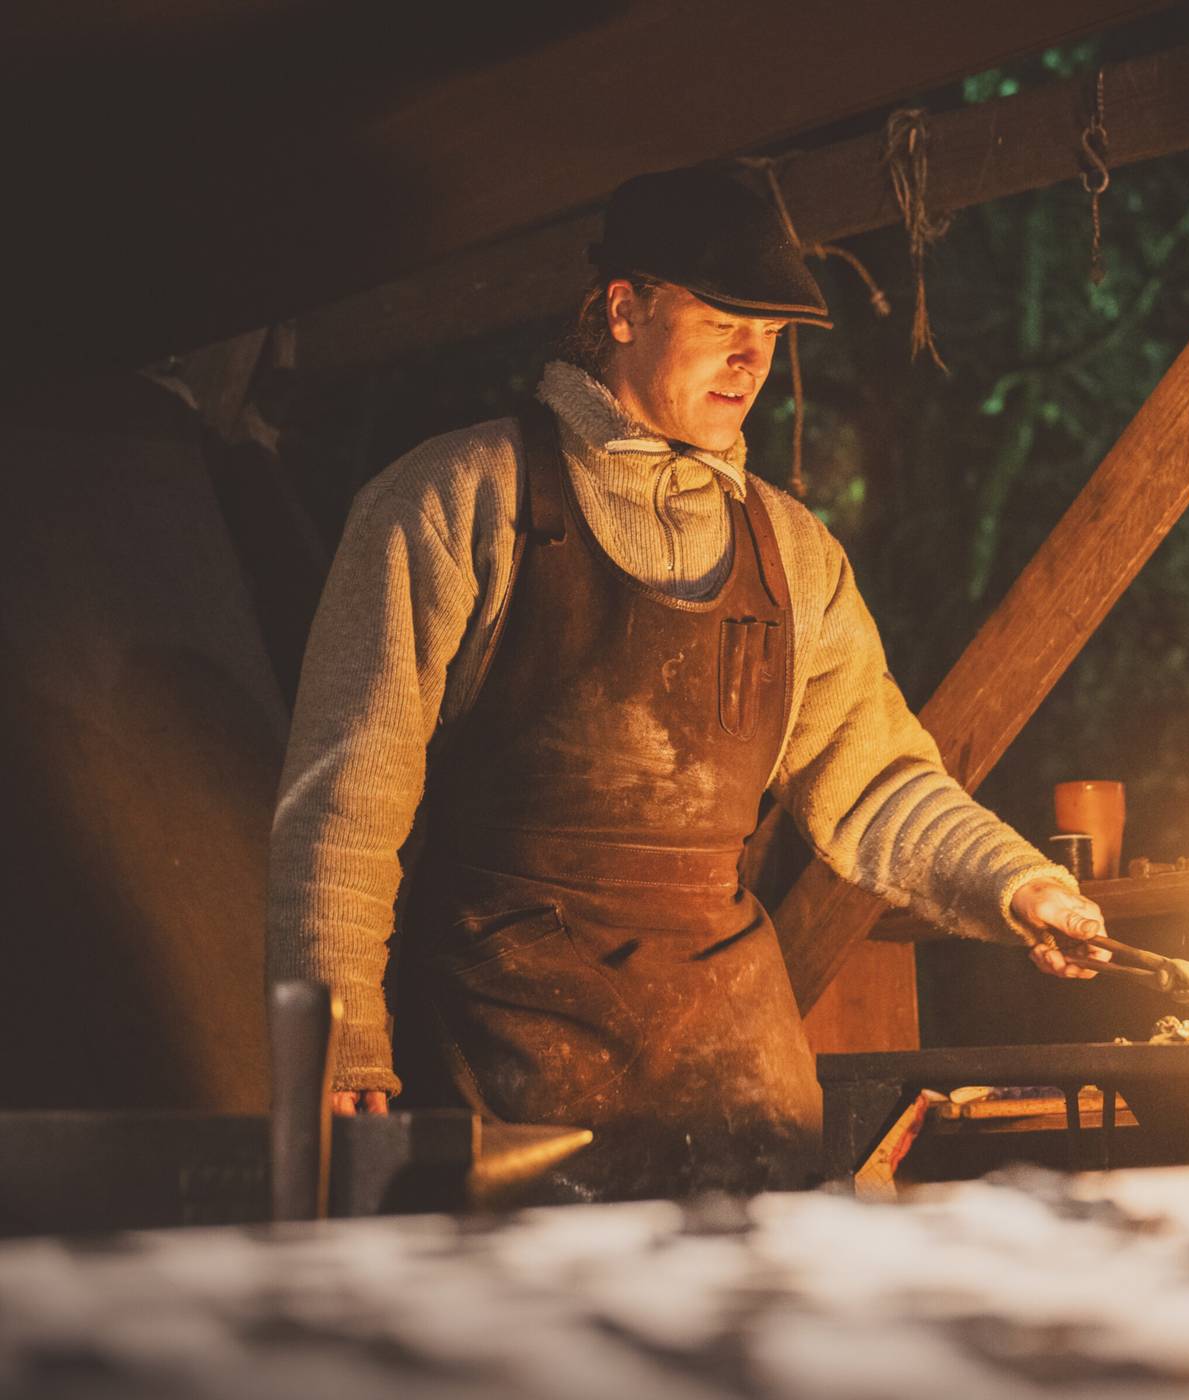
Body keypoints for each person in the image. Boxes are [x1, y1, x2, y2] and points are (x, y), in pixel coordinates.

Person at [266, 165, 1107, 1197]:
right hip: (509, 1084)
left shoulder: (793, 551)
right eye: (725, 321)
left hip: (740, 1090)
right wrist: (343, 1048)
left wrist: (1019, 883)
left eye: (775, 333)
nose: (754, 359)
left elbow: (881, 781)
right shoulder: (453, 502)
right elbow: (343, 809)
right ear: (623, 309)